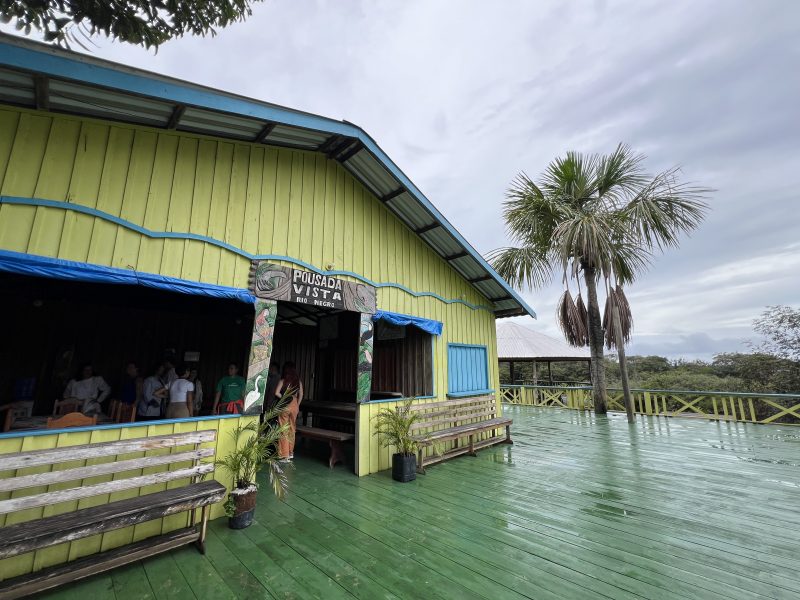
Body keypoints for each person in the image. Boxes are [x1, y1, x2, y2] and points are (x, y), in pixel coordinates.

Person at [275, 362, 303, 460]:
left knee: (283, 429)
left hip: (285, 404)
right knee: (292, 429)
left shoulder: (283, 380)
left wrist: (284, 398)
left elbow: (276, 393)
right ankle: (291, 452)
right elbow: (301, 394)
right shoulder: (298, 381)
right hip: (294, 404)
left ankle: (284, 455)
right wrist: (297, 405)